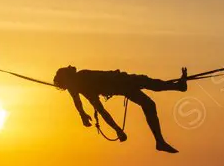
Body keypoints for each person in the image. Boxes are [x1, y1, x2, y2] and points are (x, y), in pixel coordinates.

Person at [53, 66, 189, 153]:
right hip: (123, 84)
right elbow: (95, 109)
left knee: (149, 102)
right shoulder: (82, 85)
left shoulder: (83, 86)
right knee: (149, 87)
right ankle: (179, 87)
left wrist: (83, 115)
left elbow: (84, 105)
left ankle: (159, 141)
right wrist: (118, 130)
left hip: (122, 85)